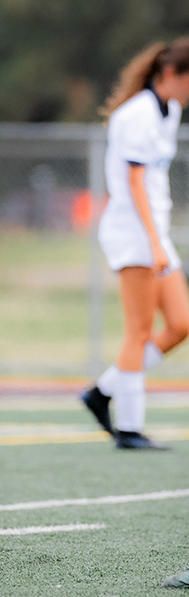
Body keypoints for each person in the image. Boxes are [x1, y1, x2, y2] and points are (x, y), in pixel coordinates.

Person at [81, 39, 189, 449]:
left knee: (181, 324)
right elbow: (135, 182)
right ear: (169, 75)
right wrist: (155, 244)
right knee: (139, 331)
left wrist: (160, 239)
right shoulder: (136, 114)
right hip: (133, 231)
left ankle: (103, 391)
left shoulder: (171, 111)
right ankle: (128, 428)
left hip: (154, 232)